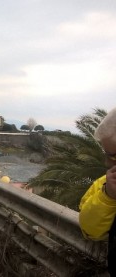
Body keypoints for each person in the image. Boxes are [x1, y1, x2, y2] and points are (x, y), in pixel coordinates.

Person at [79, 107, 116, 275]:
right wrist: (108, 196)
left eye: (112, 155)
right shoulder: (106, 183)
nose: (107, 162)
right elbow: (89, 229)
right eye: (105, 153)